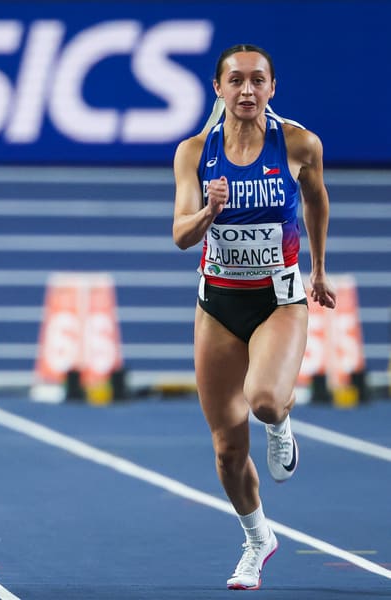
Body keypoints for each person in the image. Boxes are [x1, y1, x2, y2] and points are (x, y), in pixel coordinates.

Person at [172, 44, 336, 590]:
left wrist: (318, 270)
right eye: (235, 81)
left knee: (265, 401)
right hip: (217, 306)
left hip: (279, 299)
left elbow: (316, 200)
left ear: (272, 87)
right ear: (217, 89)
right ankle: (258, 538)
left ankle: (282, 420)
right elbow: (179, 235)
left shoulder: (297, 143)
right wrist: (209, 210)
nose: (246, 90)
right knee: (226, 448)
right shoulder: (195, 152)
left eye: (257, 81)